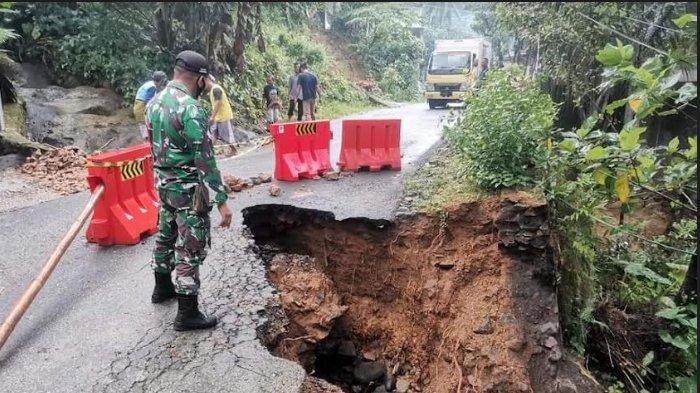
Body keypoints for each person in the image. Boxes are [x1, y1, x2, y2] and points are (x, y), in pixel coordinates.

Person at [145, 50, 232, 332]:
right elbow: (205, 159)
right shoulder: (192, 108)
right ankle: (187, 313)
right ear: (202, 80)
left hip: (163, 185)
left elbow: (154, 147)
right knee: (189, 247)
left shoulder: (153, 103)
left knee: (165, 235)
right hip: (187, 190)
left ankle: (161, 289)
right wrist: (221, 200)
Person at [206, 75, 237, 156]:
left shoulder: (216, 89)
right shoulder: (213, 90)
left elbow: (218, 103)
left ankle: (234, 150)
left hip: (223, 116)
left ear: (208, 80)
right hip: (218, 117)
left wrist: (212, 116)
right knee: (213, 134)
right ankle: (208, 153)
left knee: (225, 136)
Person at [134, 71, 167, 139]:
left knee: (146, 127)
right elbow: (151, 103)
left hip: (139, 105)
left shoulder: (151, 84)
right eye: (163, 82)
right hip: (141, 106)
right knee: (147, 128)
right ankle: (147, 144)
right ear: (161, 81)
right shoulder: (152, 87)